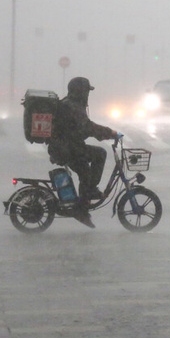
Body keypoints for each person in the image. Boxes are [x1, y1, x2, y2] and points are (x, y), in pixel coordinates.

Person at [48, 76, 120, 228]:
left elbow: (81, 129)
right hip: (67, 148)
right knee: (99, 155)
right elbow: (88, 127)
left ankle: (83, 203)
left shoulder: (70, 104)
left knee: (85, 170)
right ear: (81, 91)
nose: (88, 94)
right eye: (87, 91)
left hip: (68, 147)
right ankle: (84, 202)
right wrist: (110, 133)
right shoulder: (72, 106)